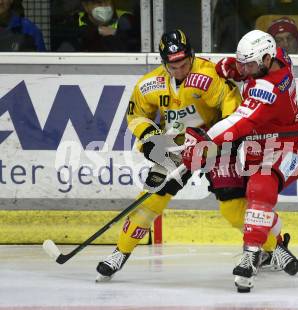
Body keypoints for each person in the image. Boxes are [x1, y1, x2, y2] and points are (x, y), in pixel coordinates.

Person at [95, 29, 285, 282]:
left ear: (191, 56)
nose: (179, 70)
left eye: (184, 64)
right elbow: (137, 116)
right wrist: (151, 140)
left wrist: (220, 138)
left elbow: (232, 105)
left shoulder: (209, 75)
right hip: (175, 146)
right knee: (150, 201)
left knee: (232, 207)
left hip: (216, 146)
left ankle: (275, 248)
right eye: (173, 66)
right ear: (164, 63)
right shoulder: (149, 84)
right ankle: (120, 252)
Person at [183, 30, 298, 292]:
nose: (246, 69)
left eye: (250, 64)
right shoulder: (275, 57)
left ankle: (250, 255)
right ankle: (277, 247)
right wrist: (230, 67)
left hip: (291, 149)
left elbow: (239, 123)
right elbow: (239, 66)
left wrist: (203, 140)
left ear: (266, 60)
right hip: (260, 147)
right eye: (244, 62)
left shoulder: (271, 87)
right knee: (246, 201)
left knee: (260, 187)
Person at [73, 0, 139, 52]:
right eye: (99, 2)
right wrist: (98, 30)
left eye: (108, 2)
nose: (104, 6)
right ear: (85, 6)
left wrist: (116, 33)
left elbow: (134, 40)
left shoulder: (125, 18)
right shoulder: (75, 19)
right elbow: (71, 33)